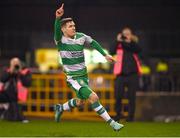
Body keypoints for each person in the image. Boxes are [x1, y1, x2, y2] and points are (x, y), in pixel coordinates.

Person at [53, 4, 123, 131]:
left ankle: (60, 108)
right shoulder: (60, 40)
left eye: (74, 25)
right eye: (70, 26)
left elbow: (94, 43)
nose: (73, 27)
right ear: (63, 29)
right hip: (73, 78)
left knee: (80, 102)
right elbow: (56, 31)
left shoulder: (81, 37)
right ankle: (112, 123)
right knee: (94, 97)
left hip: (84, 76)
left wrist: (105, 55)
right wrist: (58, 18)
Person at [110, 27, 142, 122]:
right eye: (125, 34)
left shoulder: (133, 44)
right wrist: (118, 40)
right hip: (120, 74)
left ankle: (130, 117)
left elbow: (139, 50)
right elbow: (111, 51)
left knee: (132, 97)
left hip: (133, 74)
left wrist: (129, 40)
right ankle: (118, 115)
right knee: (118, 96)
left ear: (131, 35)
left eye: (128, 33)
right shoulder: (119, 44)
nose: (126, 35)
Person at [0, 57, 31, 122]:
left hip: (20, 95)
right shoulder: (7, 70)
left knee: (14, 105)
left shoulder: (24, 71)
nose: (15, 65)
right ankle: (6, 110)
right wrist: (10, 72)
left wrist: (20, 73)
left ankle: (8, 111)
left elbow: (27, 83)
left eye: (17, 63)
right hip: (7, 94)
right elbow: (2, 79)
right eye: (14, 63)